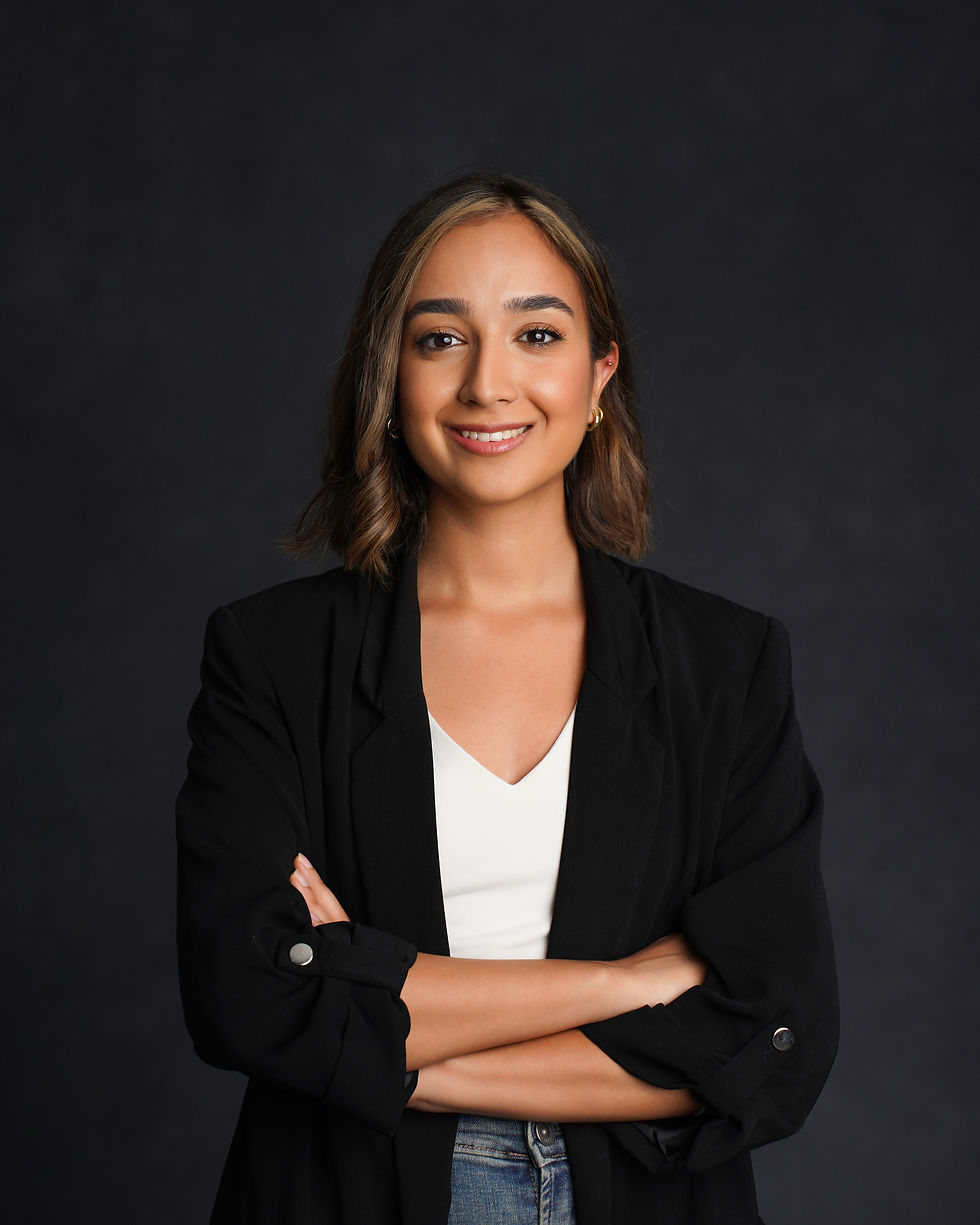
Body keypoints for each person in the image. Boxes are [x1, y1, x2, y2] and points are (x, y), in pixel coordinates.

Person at [176, 172, 838, 1225]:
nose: (489, 383)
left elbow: (768, 1037)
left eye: (536, 336)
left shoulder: (724, 663)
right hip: (347, 1195)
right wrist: (623, 984)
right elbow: (246, 996)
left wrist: (377, 1040)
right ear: (387, 375)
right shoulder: (273, 654)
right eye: (440, 338)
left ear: (600, 371)